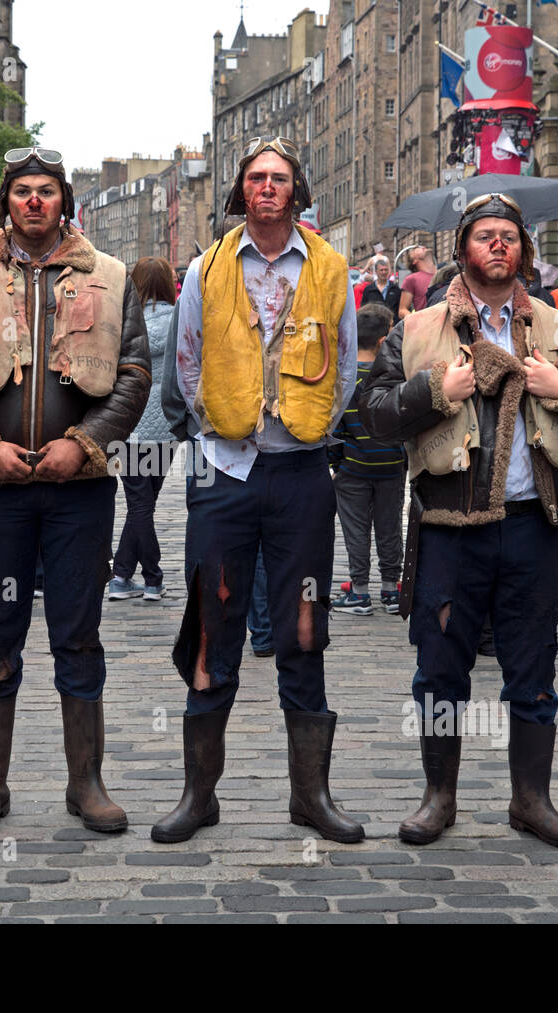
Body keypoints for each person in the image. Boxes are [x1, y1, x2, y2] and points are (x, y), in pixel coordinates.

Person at [359, 192, 558, 849]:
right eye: (486, 235)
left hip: (532, 524)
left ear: (525, 251)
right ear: (463, 250)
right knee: (441, 670)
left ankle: (531, 799)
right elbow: (374, 411)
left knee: (534, 667)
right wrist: (433, 392)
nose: (498, 245)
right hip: (449, 524)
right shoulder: (419, 330)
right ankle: (438, 796)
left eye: (509, 235)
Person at [0, 147, 150, 837]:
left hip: (79, 490)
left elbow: (136, 373)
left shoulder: (109, 277)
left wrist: (83, 441)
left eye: (45, 191)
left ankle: (87, 783)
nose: (33, 202)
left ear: (63, 202)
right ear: (6, 202)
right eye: (21, 191)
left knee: (79, 636)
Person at [159, 135, 362, 845]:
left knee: (304, 629)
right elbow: (186, 361)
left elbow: (344, 370)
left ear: (296, 189)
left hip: (302, 473)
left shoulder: (331, 267)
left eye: (279, 177)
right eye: (256, 178)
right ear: (241, 191)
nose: (268, 187)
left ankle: (311, 796)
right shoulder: (207, 267)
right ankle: (199, 795)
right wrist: (222, 426)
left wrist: (307, 430)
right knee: (215, 627)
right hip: (224, 472)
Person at [330, 303, 406, 616]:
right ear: (381, 342)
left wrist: (337, 463)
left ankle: (359, 592)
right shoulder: (394, 375)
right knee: (389, 528)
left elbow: (333, 426)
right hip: (391, 465)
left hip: (353, 467)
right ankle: (391, 590)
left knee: (356, 530)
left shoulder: (343, 379)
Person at [108, 256, 176, 600]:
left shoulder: (121, 320)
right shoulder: (178, 319)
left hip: (124, 425)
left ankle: (121, 577)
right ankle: (152, 578)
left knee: (139, 506)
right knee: (143, 505)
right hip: (163, 431)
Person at [399, 244, 435, 318]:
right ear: (414, 261)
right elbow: (402, 310)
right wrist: (417, 321)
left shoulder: (444, 274)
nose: (423, 247)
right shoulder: (412, 279)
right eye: (417, 249)